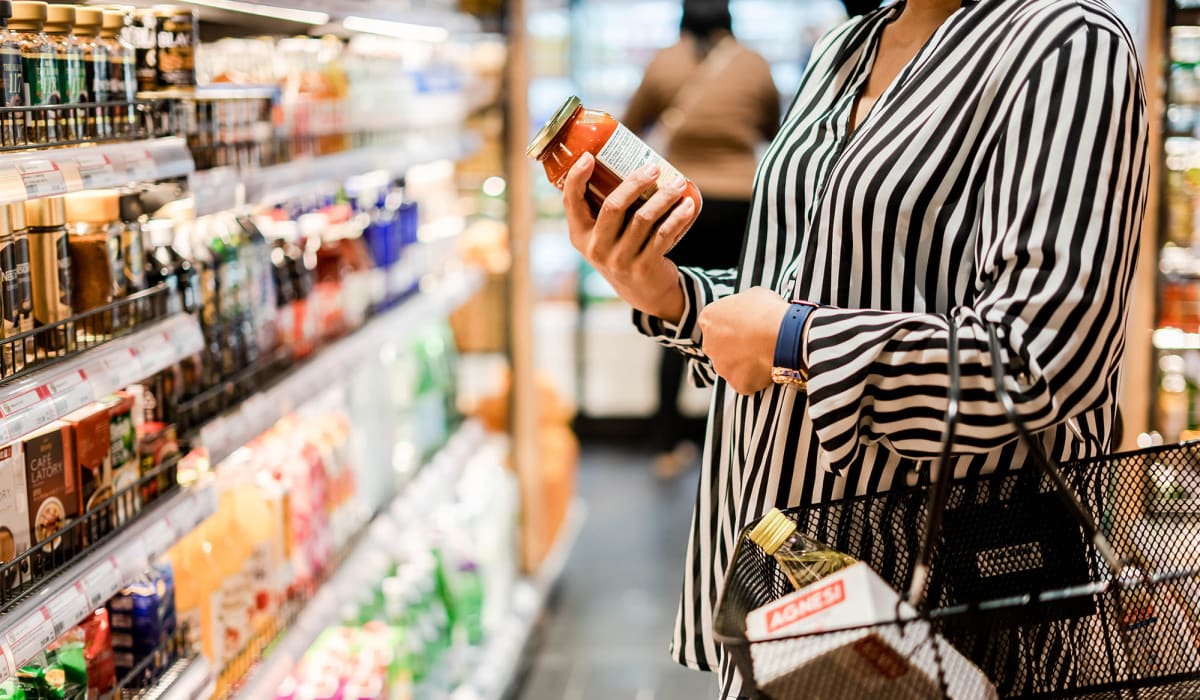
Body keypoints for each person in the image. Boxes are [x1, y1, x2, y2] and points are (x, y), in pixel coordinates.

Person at [561, 0, 1147, 696]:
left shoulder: (1065, 41)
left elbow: (1039, 360)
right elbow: (795, 285)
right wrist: (668, 294)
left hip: (936, 600)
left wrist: (796, 341)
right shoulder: (846, 46)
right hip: (783, 570)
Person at [621, 0, 780, 477]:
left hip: (678, 203)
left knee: (675, 314)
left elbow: (630, 129)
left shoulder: (663, 61)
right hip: (741, 205)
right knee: (735, 314)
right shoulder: (753, 65)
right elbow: (774, 128)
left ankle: (666, 445)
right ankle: (734, 445)